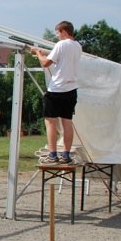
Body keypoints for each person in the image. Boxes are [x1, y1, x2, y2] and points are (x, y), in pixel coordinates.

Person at [30, 20, 82, 165]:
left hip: (57, 89)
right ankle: (66, 154)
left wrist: (38, 53)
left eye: (58, 33)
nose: (57, 36)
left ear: (64, 31)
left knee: (50, 121)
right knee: (67, 121)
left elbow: (45, 63)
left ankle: (53, 154)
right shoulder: (77, 46)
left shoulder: (61, 44)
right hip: (71, 89)